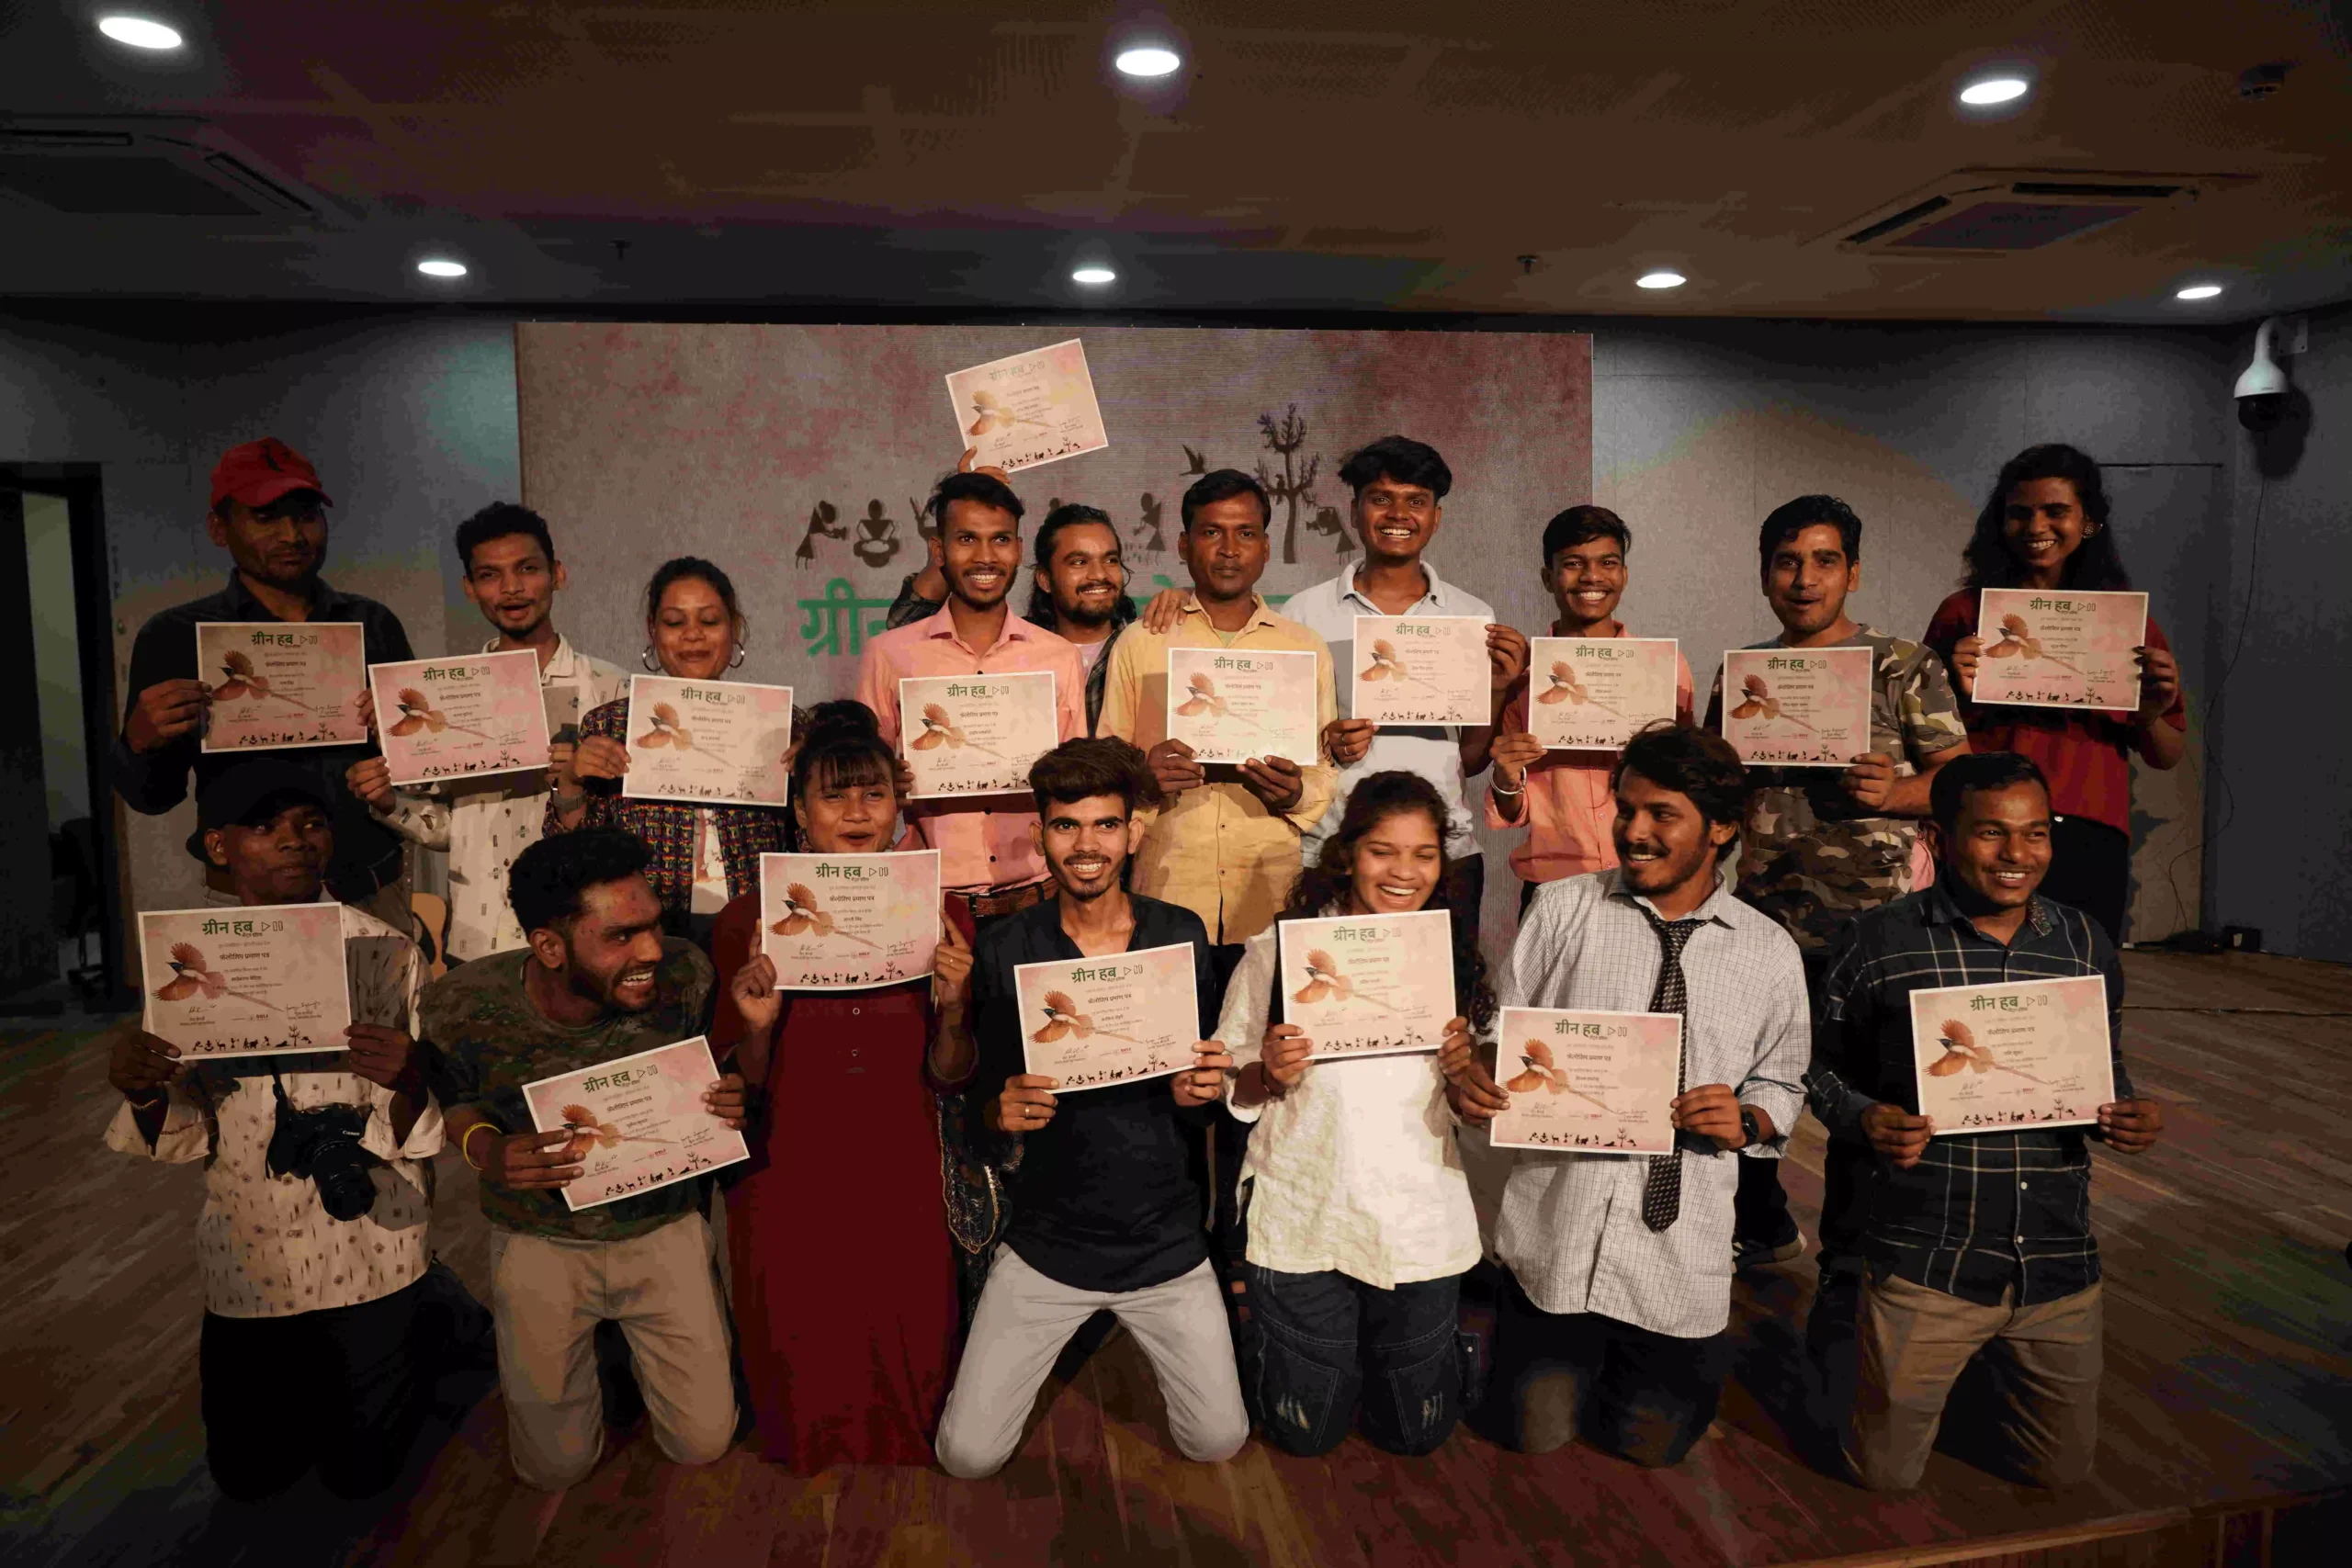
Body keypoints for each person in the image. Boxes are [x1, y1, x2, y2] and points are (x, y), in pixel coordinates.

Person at [1447, 724, 1808, 1468]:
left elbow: (1782, 1080)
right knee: (1529, 1435)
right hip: (1558, 1238)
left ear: (1722, 826)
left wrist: (1749, 1117)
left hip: (1676, 1259)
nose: (1634, 832)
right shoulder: (1565, 909)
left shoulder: (1767, 949)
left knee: (1651, 1450)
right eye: (1626, 810)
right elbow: (1504, 1031)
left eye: (1661, 815)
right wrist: (1478, 1071)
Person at [1804, 751, 2163, 1490]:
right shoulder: (1877, 940)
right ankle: (1849, 1333)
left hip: (2055, 1259)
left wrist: (2123, 1111)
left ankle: (1957, 1371)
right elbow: (1813, 1067)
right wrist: (1867, 1116)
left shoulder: (2084, 941)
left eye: (2036, 834)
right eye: (1992, 834)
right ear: (1937, 838)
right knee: (1883, 1478)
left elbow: (2103, 1065)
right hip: (1928, 1253)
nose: (2017, 856)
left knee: (2059, 1475)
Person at [103, 760, 440, 1500]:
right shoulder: (184, 963)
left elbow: (422, 1127)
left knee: (365, 1479)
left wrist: (411, 1078)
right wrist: (142, 1087)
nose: (294, 840)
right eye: (265, 826)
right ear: (219, 845)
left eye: (311, 823)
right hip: (250, 1250)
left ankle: (430, 1318)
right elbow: (184, 1132)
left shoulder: (387, 950)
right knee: (250, 1478)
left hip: (372, 1246)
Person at [932, 739, 1247, 1478]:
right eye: (1066, 825)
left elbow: (1200, 1105)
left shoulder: (1180, 935)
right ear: (1041, 835)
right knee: (967, 1456)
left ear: (1134, 832)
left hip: (1165, 1245)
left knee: (1217, 1440)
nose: (1086, 844)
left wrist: (1199, 1091)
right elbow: (973, 1102)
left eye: (1105, 825)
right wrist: (996, 1109)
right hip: (1047, 1244)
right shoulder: (1005, 946)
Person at [421, 828, 756, 1493]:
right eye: (622, 936)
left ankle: (627, 1354)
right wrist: (486, 1149)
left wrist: (732, 1090)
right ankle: (599, 1362)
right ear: (548, 945)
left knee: (703, 1443)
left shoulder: (686, 975)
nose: (652, 951)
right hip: (540, 1238)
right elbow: (453, 1099)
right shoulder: (462, 1004)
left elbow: (717, 1071)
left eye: (654, 926)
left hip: (662, 1227)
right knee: (555, 1469)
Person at [1703, 494, 1970, 1290]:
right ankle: (1760, 1226)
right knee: (1747, 1079)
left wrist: (1896, 791)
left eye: (1824, 561)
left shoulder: (1904, 665)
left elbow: (1960, 780)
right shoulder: (1746, 673)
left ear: (1853, 571)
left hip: (1875, 923)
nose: (1805, 578)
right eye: (1787, 561)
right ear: (1764, 575)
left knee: (1862, 1094)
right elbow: (1718, 787)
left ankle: (1853, 1261)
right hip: (1761, 918)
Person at [707, 700, 978, 1471]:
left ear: (900, 805)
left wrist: (953, 1009)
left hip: (902, 1145)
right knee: (800, 1315)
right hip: (788, 1151)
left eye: (874, 794)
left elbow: (951, 1075)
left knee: (910, 1312)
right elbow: (735, 1091)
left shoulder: (945, 911)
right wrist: (756, 1025)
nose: (857, 813)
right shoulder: (747, 920)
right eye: (835, 795)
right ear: (799, 810)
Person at [1213, 771, 1492, 1457]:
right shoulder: (1279, 950)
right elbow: (1231, 1078)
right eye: (1382, 851)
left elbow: (1475, 1105)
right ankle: (1271, 1345)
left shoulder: (1452, 953)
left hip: (1417, 1216)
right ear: (1347, 852)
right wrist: (1268, 1074)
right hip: (1308, 1208)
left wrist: (1466, 1076)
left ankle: (1441, 1355)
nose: (1404, 871)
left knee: (1417, 1433)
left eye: (1424, 854)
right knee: (1304, 1433)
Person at [112, 437, 414, 922]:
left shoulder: (373, 624)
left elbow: (421, 775)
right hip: (243, 901)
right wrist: (139, 741)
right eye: (266, 517)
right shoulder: (174, 636)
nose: (292, 534)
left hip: (370, 887)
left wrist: (399, 738)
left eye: (306, 515)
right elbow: (152, 797)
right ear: (218, 528)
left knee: (388, 999)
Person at [1925, 444, 2188, 945]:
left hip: (2089, 829)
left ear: (2088, 521)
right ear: (2000, 523)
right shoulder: (1962, 615)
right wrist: (1951, 685)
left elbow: (2167, 753)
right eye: (2019, 513)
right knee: (1971, 969)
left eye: (2056, 511)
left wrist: (2150, 714)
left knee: (2080, 985)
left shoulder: (2126, 625)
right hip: (1983, 823)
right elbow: (1920, 739)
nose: (2036, 526)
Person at [346, 502, 628, 962]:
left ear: (557, 574)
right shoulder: (442, 696)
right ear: (470, 588)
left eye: (527, 569)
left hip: (585, 940)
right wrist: (388, 802)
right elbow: (448, 830)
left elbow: (634, 826)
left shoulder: (614, 690)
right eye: (490, 575)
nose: (512, 589)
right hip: (477, 939)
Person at [1272, 435, 1522, 942]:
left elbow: (1470, 759)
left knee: (1442, 1009)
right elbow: (1281, 746)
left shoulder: (1473, 617)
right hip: (1333, 847)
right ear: (1356, 510)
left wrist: (1496, 689)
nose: (1398, 514)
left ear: (1436, 517)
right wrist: (1327, 744)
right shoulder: (1302, 614)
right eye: (1381, 498)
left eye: (1416, 501)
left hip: (1443, 852)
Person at [1098, 468, 1338, 953]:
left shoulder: (1304, 647)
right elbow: (1105, 760)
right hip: (1167, 890)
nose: (1229, 549)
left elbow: (1324, 769)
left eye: (1246, 533)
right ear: (1184, 546)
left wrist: (1294, 792)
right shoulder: (1141, 641)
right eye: (1212, 532)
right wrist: (1143, 776)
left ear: (1266, 548)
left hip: (1269, 890)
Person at [855, 468, 1087, 938]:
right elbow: (863, 784)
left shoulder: (1059, 657)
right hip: (929, 908)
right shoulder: (890, 654)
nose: (986, 556)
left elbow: (1076, 785)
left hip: (1037, 902)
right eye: (966, 539)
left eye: (1001, 539)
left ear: (1020, 550)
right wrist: (889, 780)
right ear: (939, 551)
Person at [548, 557, 793, 942]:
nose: (692, 635)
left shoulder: (783, 724)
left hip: (757, 928)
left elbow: (810, 840)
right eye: (675, 622)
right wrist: (570, 781)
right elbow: (574, 857)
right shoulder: (609, 726)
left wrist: (814, 771)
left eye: (709, 621)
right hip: (647, 931)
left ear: (736, 628)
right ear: (653, 631)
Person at [1486, 506, 1695, 910]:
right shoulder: (1522, 675)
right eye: (1574, 564)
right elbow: (1518, 807)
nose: (1592, 577)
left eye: (1608, 563)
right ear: (1548, 578)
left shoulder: (1667, 670)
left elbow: (1686, 786)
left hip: (1645, 876)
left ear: (1624, 575)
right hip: (1552, 888)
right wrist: (1506, 779)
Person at [893, 488, 1136, 733]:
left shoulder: (1146, 646)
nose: (1099, 575)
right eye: (1079, 562)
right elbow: (906, 629)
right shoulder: (1020, 645)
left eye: (1111, 560)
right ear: (1044, 579)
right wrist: (963, 498)